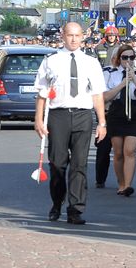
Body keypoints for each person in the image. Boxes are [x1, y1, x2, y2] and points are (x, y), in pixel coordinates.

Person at [33, 22, 107, 224]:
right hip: (58, 115)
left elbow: (97, 94)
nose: (73, 39)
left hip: (83, 115)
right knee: (57, 163)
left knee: (80, 164)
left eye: (77, 35)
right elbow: (41, 93)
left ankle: (75, 209)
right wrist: (38, 119)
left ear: (83, 37)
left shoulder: (91, 62)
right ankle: (57, 202)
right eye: (70, 35)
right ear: (62, 36)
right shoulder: (51, 61)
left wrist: (102, 122)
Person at [102, 44, 136, 196]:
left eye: (131, 57)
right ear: (119, 58)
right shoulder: (109, 73)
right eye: (125, 57)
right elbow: (105, 97)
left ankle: (128, 185)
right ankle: (121, 183)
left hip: (135, 112)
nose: (128, 60)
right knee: (118, 153)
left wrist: (135, 81)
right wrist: (123, 84)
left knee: (129, 151)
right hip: (116, 111)